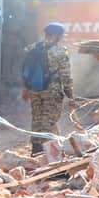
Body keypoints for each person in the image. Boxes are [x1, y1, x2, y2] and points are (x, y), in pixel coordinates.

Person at [23, 22, 76, 154]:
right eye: (61, 35)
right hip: (52, 92)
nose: (62, 38)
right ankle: (47, 153)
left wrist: (26, 87)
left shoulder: (31, 48)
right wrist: (71, 96)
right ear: (57, 35)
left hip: (34, 90)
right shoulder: (59, 51)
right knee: (49, 121)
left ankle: (36, 150)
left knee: (37, 119)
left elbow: (25, 69)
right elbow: (65, 76)